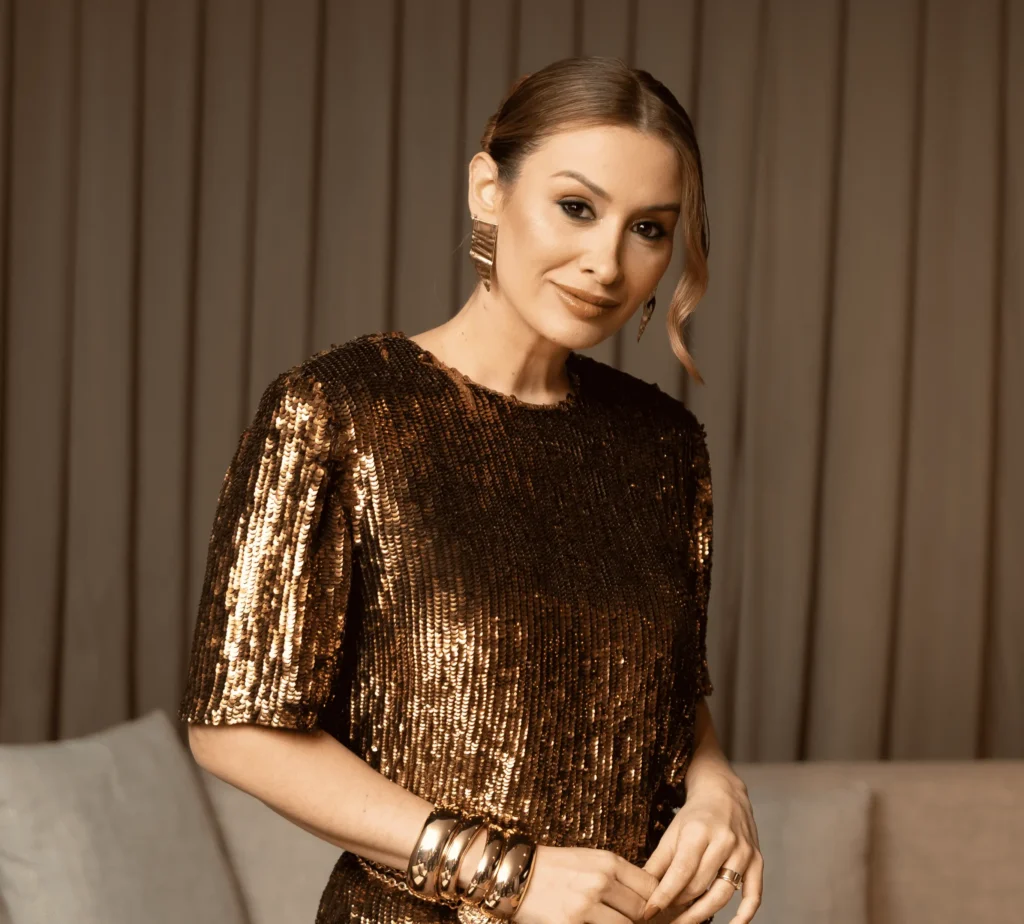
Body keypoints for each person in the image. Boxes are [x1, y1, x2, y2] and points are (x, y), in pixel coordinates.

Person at [178, 56, 762, 924]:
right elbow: (234, 729)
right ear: (488, 189)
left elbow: (669, 695)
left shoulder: (663, 443)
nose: (607, 263)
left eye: (648, 228)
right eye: (577, 207)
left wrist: (716, 789)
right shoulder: (339, 411)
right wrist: (505, 874)